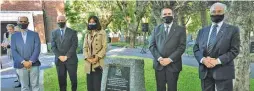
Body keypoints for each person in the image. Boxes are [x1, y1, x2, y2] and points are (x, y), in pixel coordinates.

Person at [193, 2, 240, 91]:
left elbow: (234, 50)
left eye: (219, 11)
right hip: (205, 71)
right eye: (214, 11)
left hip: (223, 70)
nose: (216, 14)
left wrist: (217, 61)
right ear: (210, 13)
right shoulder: (202, 31)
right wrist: (203, 60)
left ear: (224, 13)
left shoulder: (233, 30)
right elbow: (196, 48)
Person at [149, 7, 186, 91]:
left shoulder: (181, 30)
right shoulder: (156, 29)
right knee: (160, 88)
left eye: (169, 14)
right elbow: (151, 46)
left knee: (172, 88)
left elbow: (182, 47)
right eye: (165, 14)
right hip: (159, 64)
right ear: (161, 16)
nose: (167, 16)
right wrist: (160, 58)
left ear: (173, 15)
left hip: (173, 65)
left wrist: (169, 59)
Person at [11, 16, 41, 91]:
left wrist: (30, 61)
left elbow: (37, 48)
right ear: (18, 23)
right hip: (21, 65)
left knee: (35, 86)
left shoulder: (35, 34)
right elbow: (13, 50)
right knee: (24, 87)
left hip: (34, 64)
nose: (23, 23)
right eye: (21, 21)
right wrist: (23, 62)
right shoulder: (14, 36)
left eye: (25, 21)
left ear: (28, 23)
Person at [51, 15, 78, 91]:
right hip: (59, 61)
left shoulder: (72, 32)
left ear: (65, 21)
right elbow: (53, 47)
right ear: (57, 21)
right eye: (59, 20)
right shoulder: (54, 33)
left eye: (62, 20)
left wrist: (66, 56)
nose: (60, 22)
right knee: (61, 80)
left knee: (73, 80)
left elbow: (74, 45)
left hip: (71, 60)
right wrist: (60, 56)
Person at [83, 15, 107, 91]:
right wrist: (88, 59)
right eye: (90, 22)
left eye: (93, 22)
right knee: (90, 87)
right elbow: (85, 48)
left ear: (97, 23)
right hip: (88, 64)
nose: (91, 23)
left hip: (98, 63)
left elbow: (104, 47)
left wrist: (97, 58)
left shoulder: (102, 32)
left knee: (97, 87)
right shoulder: (87, 34)